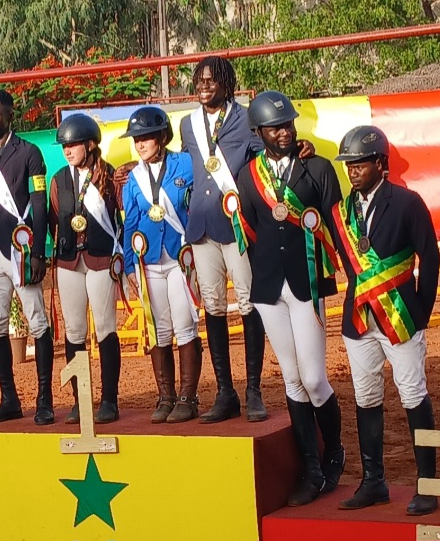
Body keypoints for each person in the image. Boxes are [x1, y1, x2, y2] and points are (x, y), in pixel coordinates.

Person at [237, 91, 344, 506]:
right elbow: (247, 224)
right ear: (260, 132)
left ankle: (334, 451)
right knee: (292, 378)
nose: (283, 132)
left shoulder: (317, 168)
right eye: (274, 128)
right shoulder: (248, 176)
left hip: (307, 282)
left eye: (287, 125)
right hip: (267, 287)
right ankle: (310, 469)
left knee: (315, 378)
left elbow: (335, 222)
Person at [328, 126, 440, 515]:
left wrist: (420, 313)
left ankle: (428, 485)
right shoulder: (343, 210)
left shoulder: (408, 203)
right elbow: (350, 265)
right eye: (348, 165)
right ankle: (373, 481)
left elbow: (431, 259)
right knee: (366, 397)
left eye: (359, 163)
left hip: (400, 317)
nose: (352, 171)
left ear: (380, 163)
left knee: (413, 394)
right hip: (359, 320)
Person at [178, 55, 269, 423]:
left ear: (226, 83)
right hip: (201, 227)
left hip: (237, 226)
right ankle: (224, 392)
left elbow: (266, 163)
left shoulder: (246, 118)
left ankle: (253, 391)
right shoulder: (187, 125)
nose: (204, 86)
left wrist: (301, 150)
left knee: (248, 303)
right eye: (199, 81)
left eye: (211, 80)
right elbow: (183, 168)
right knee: (213, 307)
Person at [0, 90, 54, 425]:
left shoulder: (29, 153)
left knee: (37, 320)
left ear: (9, 116)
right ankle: (9, 399)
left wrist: (37, 253)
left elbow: (40, 203)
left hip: (21, 251)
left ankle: (44, 398)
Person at [120, 106, 201, 424]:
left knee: (185, 325)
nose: (140, 143)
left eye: (146, 137)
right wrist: (129, 265)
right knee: (159, 330)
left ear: (162, 137)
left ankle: (187, 397)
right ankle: (165, 396)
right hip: (149, 260)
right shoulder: (132, 179)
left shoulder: (186, 164)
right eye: (136, 138)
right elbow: (130, 224)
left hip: (181, 257)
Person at [48, 113, 123, 424]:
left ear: (90, 145)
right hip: (69, 260)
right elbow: (55, 218)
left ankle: (109, 399)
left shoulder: (110, 176)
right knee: (75, 330)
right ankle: (81, 400)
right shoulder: (58, 180)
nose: (68, 150)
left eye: (74, 144)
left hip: (101, 258)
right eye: (65, 145)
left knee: (105, 327)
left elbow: (120, 215)